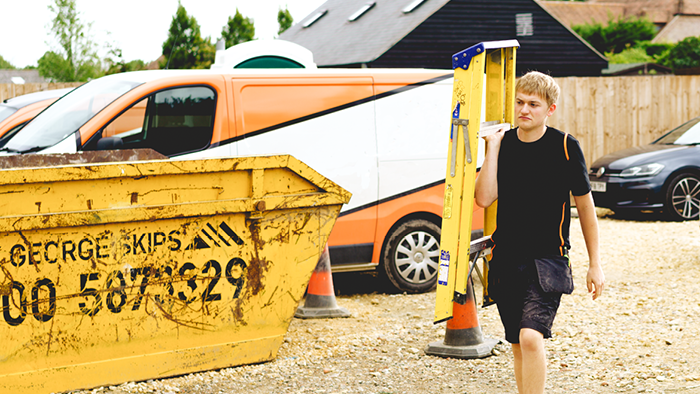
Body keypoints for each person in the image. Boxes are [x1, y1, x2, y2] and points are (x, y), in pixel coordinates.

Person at [474, 71, 605, 394]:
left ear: (550, 109)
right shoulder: (503, 147)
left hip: (548, 261)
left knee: (531, 337)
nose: (524, 110)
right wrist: (492, 148)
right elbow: (484, 197)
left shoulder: (564, 146)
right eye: (519, 102)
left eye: (533, 104)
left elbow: (586, 209)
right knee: (518, 343)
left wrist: (595, 263)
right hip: (505, 260)